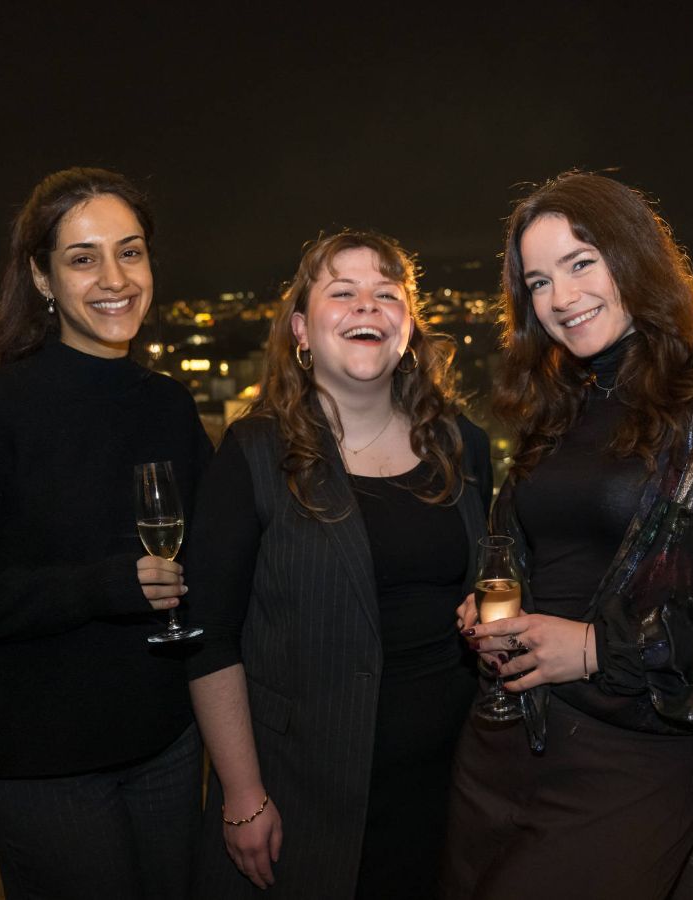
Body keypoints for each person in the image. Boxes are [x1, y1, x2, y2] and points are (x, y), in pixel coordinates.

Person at [445, 172, 693, 899]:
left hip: (625, 764)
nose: (561, 297)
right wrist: (490, 606)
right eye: (539, 281)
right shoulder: (561, 404)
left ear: (633, 257)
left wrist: (595, 649)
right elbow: (535, 546)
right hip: (502, 739)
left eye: (581, 263)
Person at [0, 168, 211, 899]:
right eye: (83, 258)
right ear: (42, 278)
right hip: (48, 766)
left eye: (130, 252)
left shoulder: (168, 405)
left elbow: (214, 556)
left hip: (170, 745)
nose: (115, 278)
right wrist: (102, 587)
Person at [185, 231, 492, 898]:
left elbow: (488, 574)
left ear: (408, 327)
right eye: (343, 292)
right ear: (301, 329)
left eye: (387, 294)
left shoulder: (462, 444)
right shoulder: (254, 453)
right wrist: (243, 792)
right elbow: (210, 635)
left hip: (448, 783)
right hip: (301, 791)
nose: (366, 306)